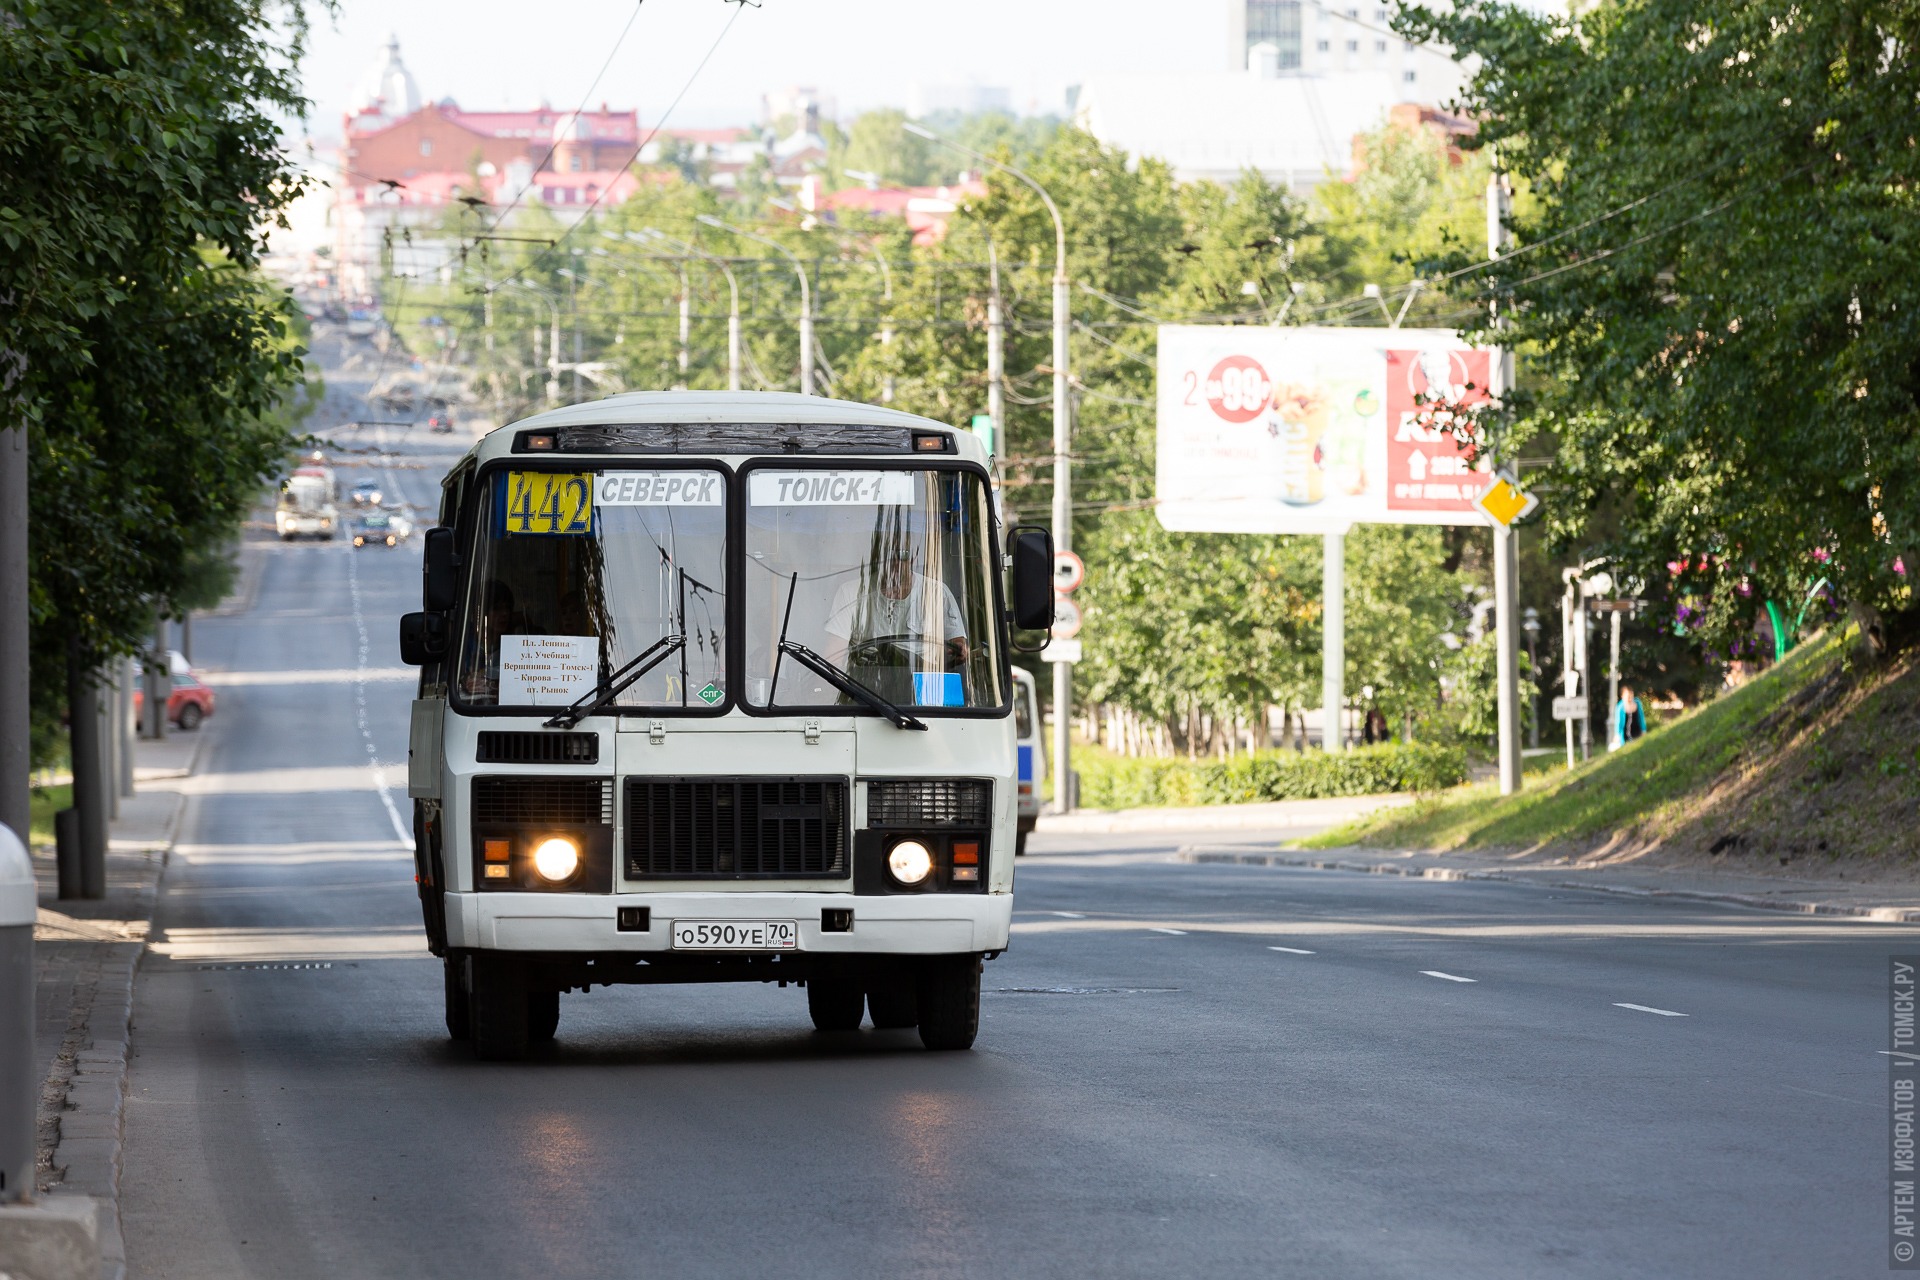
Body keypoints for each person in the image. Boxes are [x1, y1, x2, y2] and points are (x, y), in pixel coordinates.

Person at [822, 547, 968, 703]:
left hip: (924, 693)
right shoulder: (851, 592)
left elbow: (958, 645)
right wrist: (823, 693)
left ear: (914, 556)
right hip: (865, 691)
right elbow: (833, 655)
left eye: (902, 554)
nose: (895, 561)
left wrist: (959, 651)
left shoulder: (937, 592)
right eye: (888, 554)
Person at [1612, 683, 1647, 748]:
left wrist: (1643, 730)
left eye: (1631, 695)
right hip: (1625, 736)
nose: (1630, 698)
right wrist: (1617, 735)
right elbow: (1618, 722)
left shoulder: (1637, 703)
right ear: (1622, 696)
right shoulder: (1620, 707)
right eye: (1628, 696)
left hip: (1637, 732)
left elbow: (1641, 718)